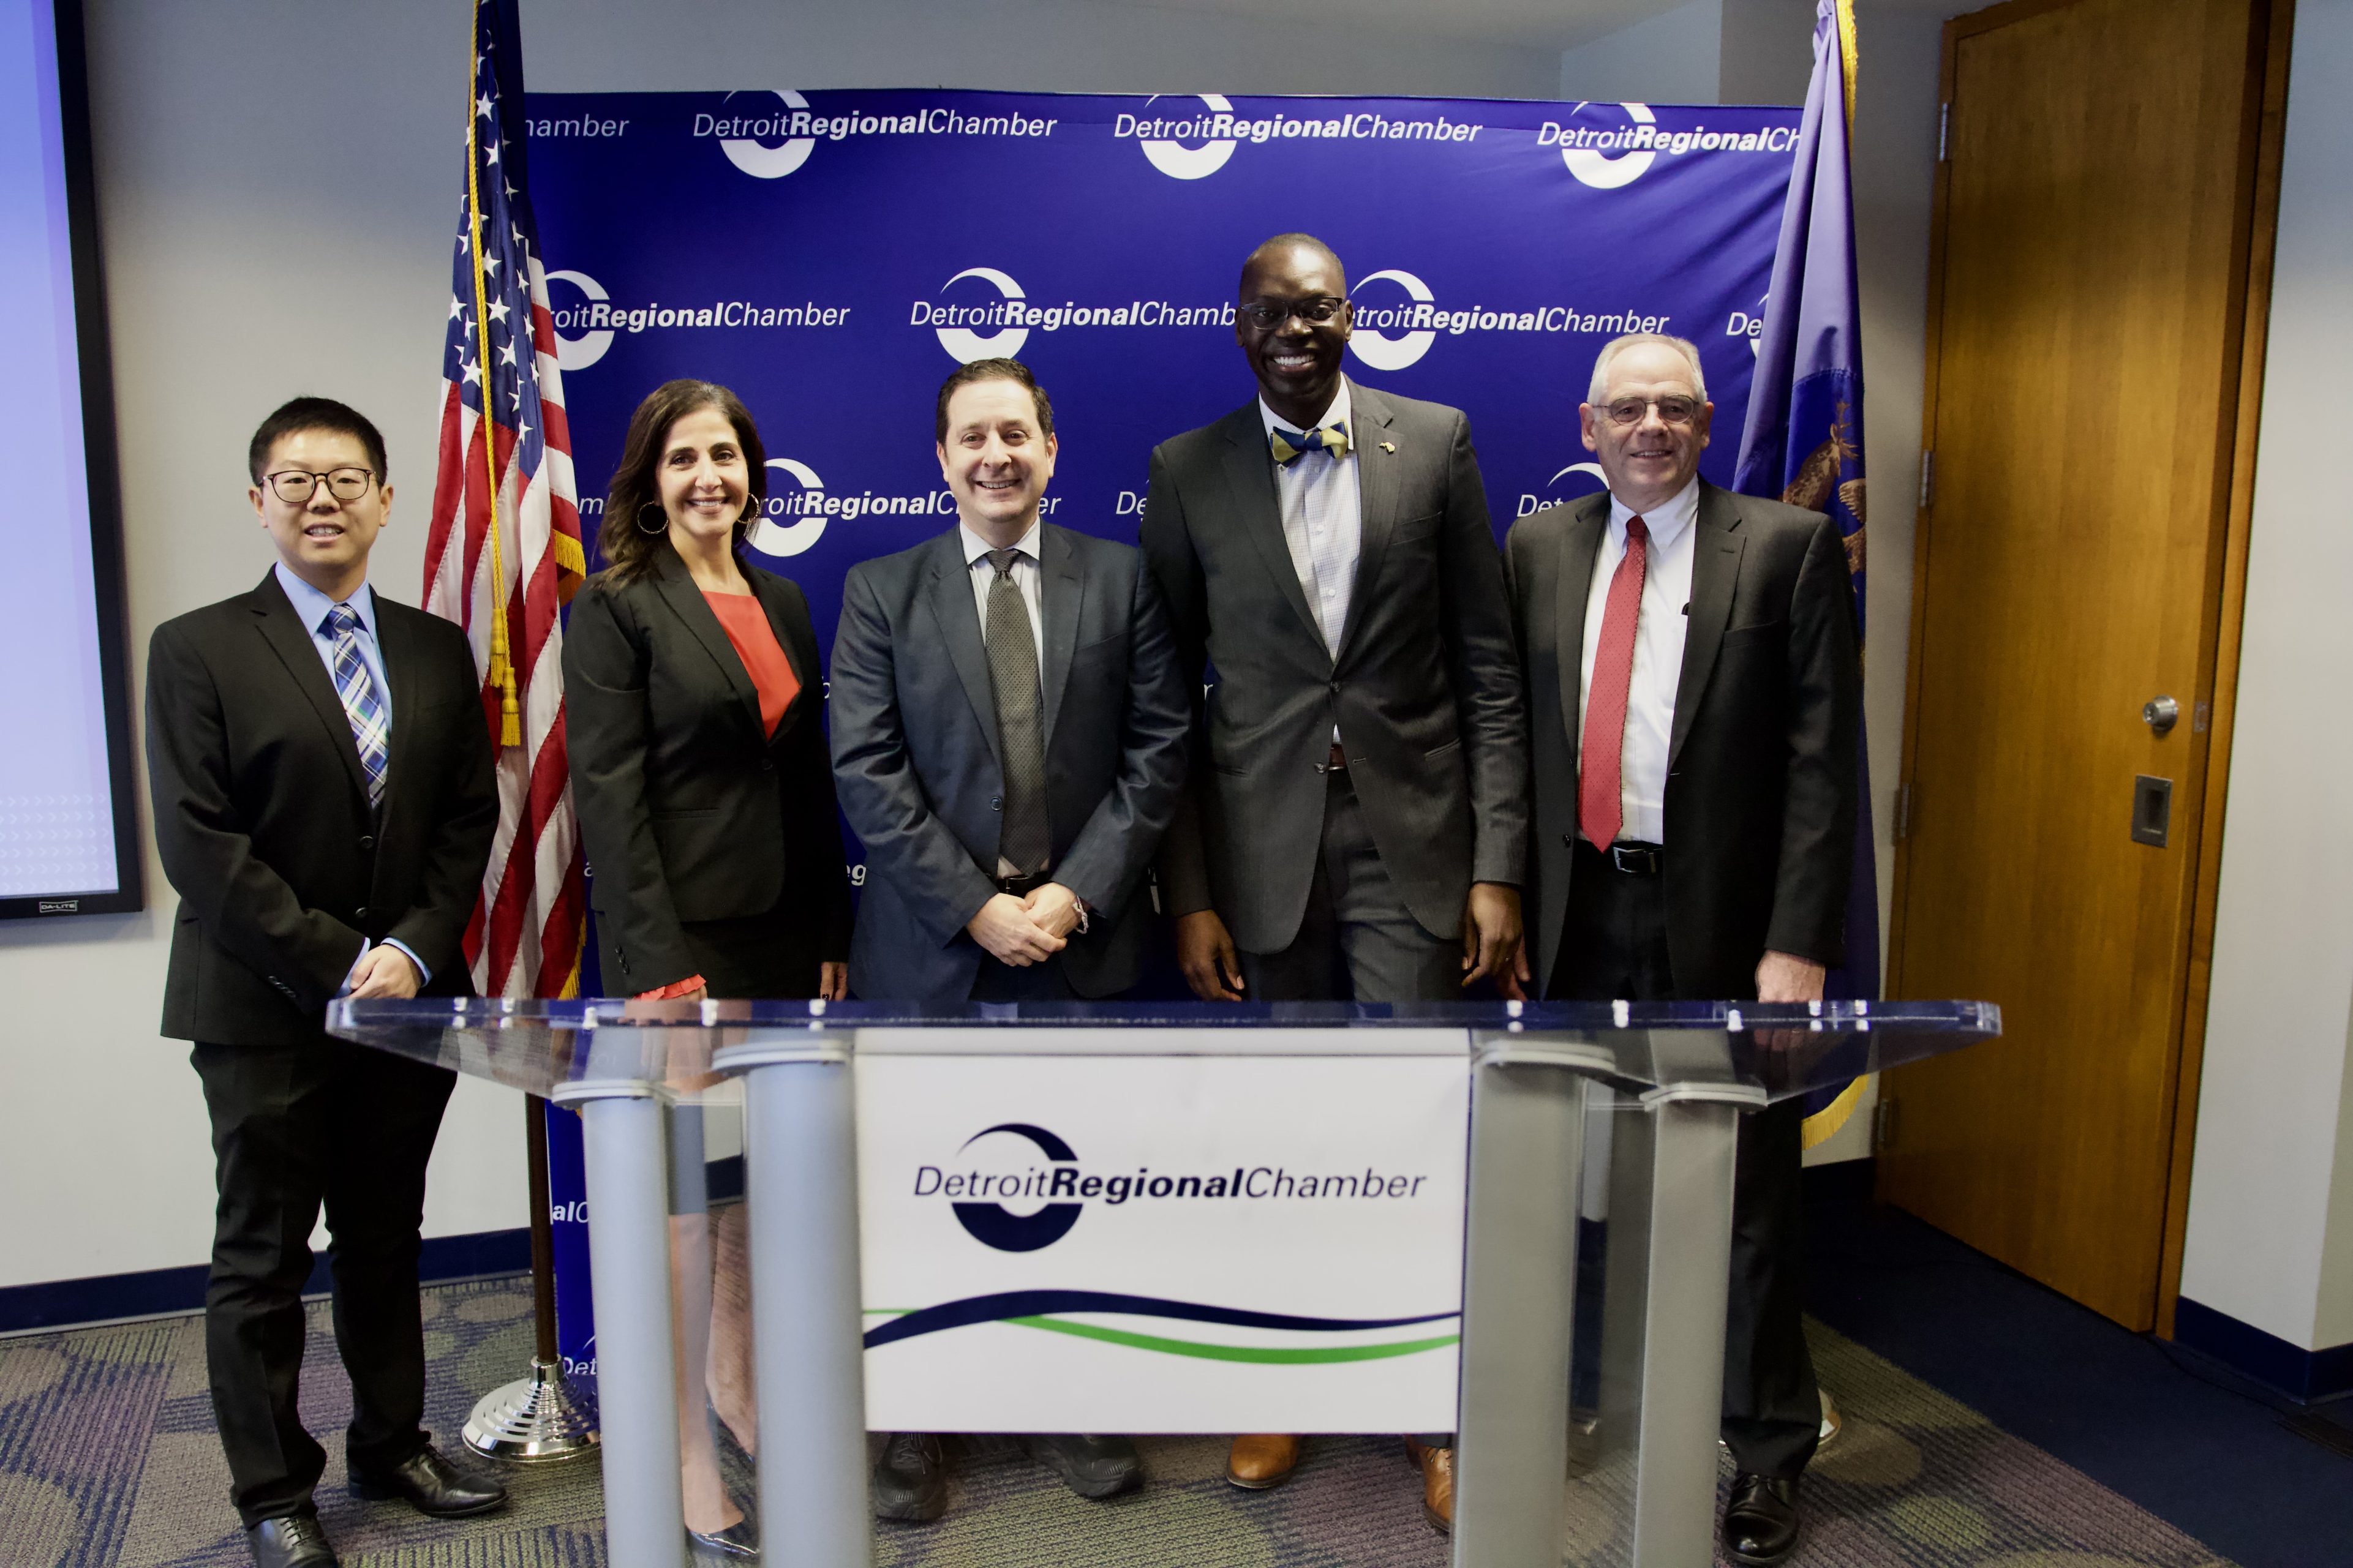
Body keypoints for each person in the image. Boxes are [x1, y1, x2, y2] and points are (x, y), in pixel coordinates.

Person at [1138, 232, 1529, 1520]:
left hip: (1414, 850)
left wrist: (1498, 867)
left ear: (1350, 317)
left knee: (1416, 1135)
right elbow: (1169, 710)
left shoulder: (1439, 440)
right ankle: (1280, 1377)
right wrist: (1186, 893)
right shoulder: (1186, 472)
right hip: (1258, 861)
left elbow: (1488, 665)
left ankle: (1431, 1409)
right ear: (1236, 326)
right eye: (1269, 313)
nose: (1293, 331)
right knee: (1275, 1137)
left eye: (1315, 310)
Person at [1505, 333, 1861, 1567]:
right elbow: (1513, 739)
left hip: (1720, 924)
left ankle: (1766, 1452)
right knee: (1541, 1174)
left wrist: (1798, 944)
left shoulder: (1787, 548)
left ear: (1707, 425)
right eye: (1627, 408)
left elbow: (1823, 766)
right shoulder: (1538, 546)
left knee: (1749, 1191)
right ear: (1588, 424)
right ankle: (1536, 1410)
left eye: (1673, 408)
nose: (1649, 426)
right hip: (1568, 915)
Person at [146, 397, 505, 1568]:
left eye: (345, 478)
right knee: (261, 1254)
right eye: (294, 480)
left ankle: (392, 1442)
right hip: (261, 1006)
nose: (321, 499)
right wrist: (338, 959)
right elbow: (200, 843)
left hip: (403, 1003)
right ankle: (271, 1490)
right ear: (259, 501)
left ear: (387, 500)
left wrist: (405, 950)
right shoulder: (196, 647)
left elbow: (466, 822)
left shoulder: (434, 648)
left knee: (385, 1235)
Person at [830, 357, 1189, 1517]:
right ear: (940, 459)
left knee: (1067, 1185)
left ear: (1050, 450)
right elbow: (868, 770)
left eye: (1015, 434)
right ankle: (912, 1422)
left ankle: (1068, 1398)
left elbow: (1158, 751)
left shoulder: (1122, 581)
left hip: (1076, 942)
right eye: (971, 436)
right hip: (931, 949)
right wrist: (973, 905)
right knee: (915, 1190)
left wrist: (1072, 894)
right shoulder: (881, 589)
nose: (995, 455)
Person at [565, 379, 854, 1560]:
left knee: (757, 1204)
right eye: (683, 459)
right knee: (685, 1210)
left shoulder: (782, 594)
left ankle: (748, 1397)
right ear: (651, 479)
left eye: (725, 456)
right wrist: (657, 967)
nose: (707, 479)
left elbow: (805, 782)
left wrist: (835, 926)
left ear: (752, 469)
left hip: (790, 935)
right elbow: (610, 796)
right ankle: (684, 1443)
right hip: (682, 948)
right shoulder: (616, 606)